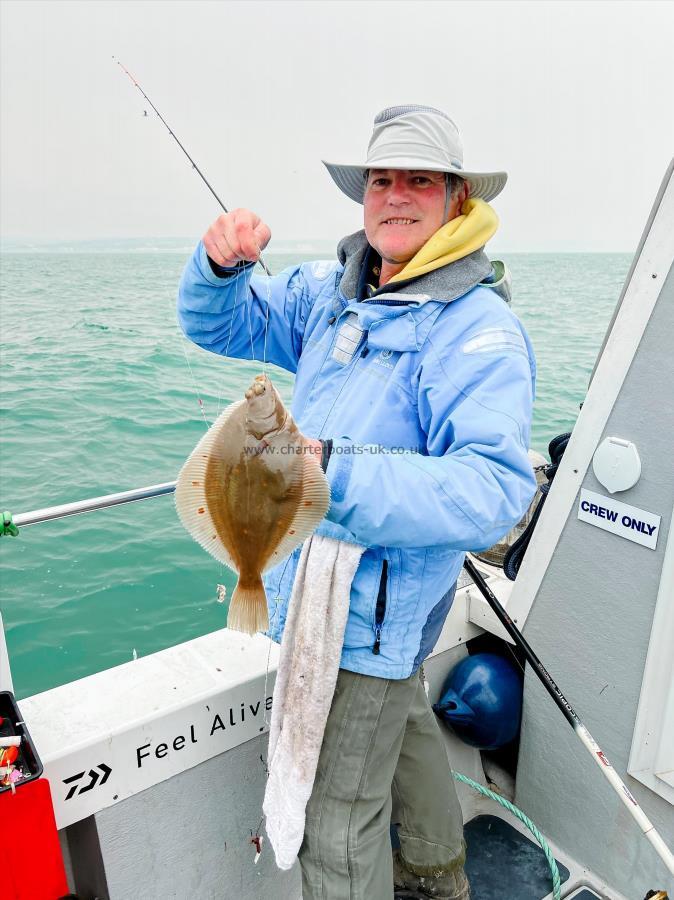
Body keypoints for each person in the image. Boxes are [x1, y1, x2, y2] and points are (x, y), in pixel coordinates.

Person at [177, 105, 536, 900]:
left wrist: (328, 469)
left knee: (337, 834)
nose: (396, 196)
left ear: (457, 200)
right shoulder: (331, 292)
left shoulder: (477, 331)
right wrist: (219, 267)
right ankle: (442, 878)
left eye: (421, 180)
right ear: (363, 194)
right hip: (326, 588)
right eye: (382, 179)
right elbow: (220, 323)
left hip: (369, 613)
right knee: (403, 722)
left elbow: (492, 492)